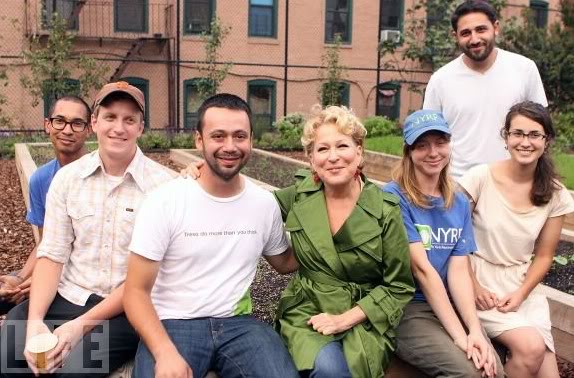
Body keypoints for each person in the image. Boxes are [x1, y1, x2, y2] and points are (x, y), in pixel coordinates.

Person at [0, 81, 174, 377]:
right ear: (95, 122)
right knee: (8, 358)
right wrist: (35, 321)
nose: (118, 128)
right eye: (110, 117)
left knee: (74, 371)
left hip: (126, 309)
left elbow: (144, 279)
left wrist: (80, 326)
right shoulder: (68, 180)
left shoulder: (163, 189)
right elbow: (52, 254)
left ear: (141, 128)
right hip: (69, 295)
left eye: (129, 119)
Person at [124, 93, 299, 378]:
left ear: (251, 141)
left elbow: (285, 262)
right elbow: (135, 292)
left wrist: (334, 222)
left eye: (239, 136)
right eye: (218, 136)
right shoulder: (165, 201)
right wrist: (164, 353)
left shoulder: (263, 203)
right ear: (199, 140)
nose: (230, 146)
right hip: (174, 324)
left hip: (239, 325)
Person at [273, 105, 414, 378]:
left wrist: (345, 319)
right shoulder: (299, 196)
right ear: (311, 159)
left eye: (342, 146)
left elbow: (398, 286)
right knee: (330, 369)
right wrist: (198, 176)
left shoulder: (385, 209)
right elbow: (246, 207)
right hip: (307, 310)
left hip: (364, 317)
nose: (334, 157)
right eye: (322, 149)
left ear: (359, 152)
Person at [383, 109, 502, 378]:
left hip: (449, 302)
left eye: (440, 142)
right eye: (422, 145)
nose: (433, 152)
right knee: (469, 373)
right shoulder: (394, 197)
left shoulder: (457, 201)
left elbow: (458, 271)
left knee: (491, 371)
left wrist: (474, 330)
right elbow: (422, 271)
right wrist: (461, 338)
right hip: (409, 307)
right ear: (409, 152)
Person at [459, 101, 574, 378]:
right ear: (506, 137)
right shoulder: (479, 178)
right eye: (518, 133)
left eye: (534, 135)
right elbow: (455, 241)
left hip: (523, 288)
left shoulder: (555, 193)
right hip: (478, 280)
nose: (525, 142)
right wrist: (473, 286)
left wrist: (521, 293)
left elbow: (545, 255)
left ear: (546, 141)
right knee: (531, 347)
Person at [423, 0, 547, 178]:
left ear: (495, 28)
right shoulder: (440, 80)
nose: (474, 39)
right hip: (459, 185)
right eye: (466, 33)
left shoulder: (524, 69)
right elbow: (429, 138)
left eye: (481, 29)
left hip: (514, 182)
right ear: (455, 36)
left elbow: (541, 128)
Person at [0, 96, 91, 315]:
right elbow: (46, 242)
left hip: (82, 283)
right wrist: (21, 277)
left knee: (18, 318)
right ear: (47, 125)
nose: (67, 130)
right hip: (51, 266)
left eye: (77, 123)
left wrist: (42, 280)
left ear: (89, 129)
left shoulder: (97, 177)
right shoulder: (41, 179)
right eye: (60, 121)